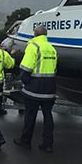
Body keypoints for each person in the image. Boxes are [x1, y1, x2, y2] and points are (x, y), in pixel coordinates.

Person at [13, 25, 57, 153]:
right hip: (49, 88)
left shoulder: (33, 47)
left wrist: (26, 81)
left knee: (30, 117)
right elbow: (54, 69)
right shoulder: (52, 48)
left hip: (34, 89)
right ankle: (48, 144)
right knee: (48, 117)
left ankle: (25, 142)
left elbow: (26, 69)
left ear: (35, 34)